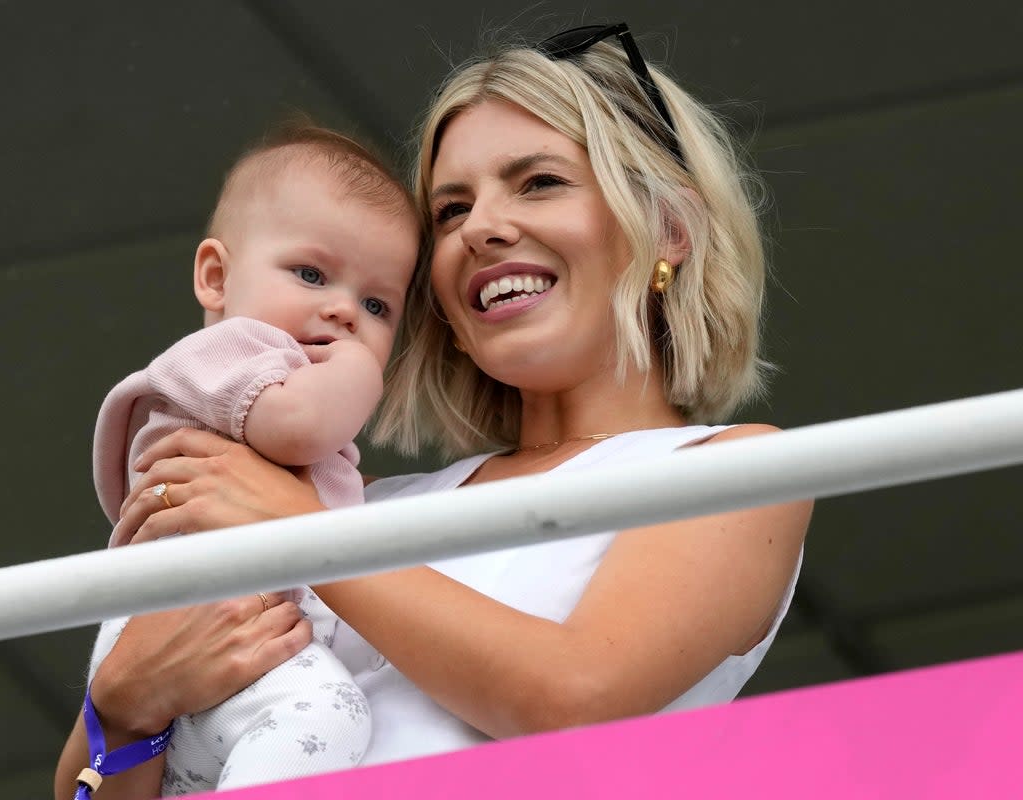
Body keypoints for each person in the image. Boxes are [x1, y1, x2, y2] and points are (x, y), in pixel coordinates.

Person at [55, 22, 812, 800]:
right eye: (450, 211)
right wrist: (123, 709)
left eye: (539, 182)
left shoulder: (738, 469)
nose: (479, 228)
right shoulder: (349, 502)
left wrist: (299, 531)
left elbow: (580, 695)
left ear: (670, 229)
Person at [78, 124, 420, 796]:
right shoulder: (227, 357)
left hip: (233, 634)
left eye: (377, 305)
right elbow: (296, 429)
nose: (344, 310)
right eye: (311, 273)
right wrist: (358, 370)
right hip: (188, 613)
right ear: (215, 277)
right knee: (330, 714)